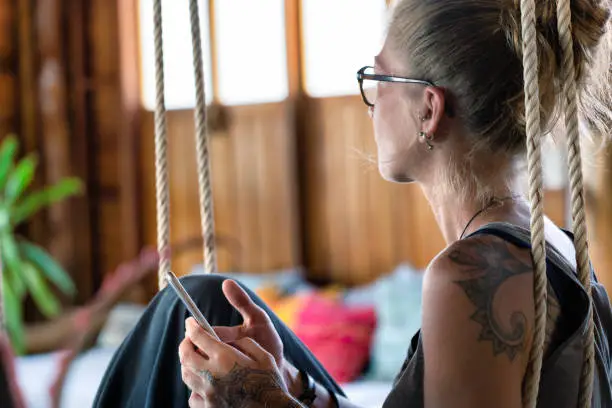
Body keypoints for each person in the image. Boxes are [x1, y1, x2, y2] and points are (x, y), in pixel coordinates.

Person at [94, 0, 612, 407]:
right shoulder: (557, 244)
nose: (371, 100)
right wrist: (293, 384)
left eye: (378, 76)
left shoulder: (470, 277)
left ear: (428, 108)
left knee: (180, 319)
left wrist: (260, 400)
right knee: (207, 299)